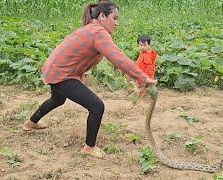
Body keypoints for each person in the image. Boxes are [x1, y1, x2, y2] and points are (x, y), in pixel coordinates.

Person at [22, 0, 157, 160]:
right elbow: (117, 57)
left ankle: (30, 123)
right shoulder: (98, 32)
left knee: (57, 100)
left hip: (55, 71)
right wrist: (142, 77)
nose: (116, 23)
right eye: (114, 18)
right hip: (61, 75)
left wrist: (80, 75)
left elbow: (77, 55)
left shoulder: (91, 29)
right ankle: (89, 147)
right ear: (102, 16)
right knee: (96, 106)